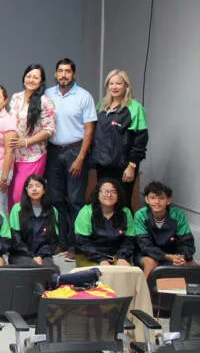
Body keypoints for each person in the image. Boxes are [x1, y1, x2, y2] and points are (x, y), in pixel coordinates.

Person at [45, 58, 96, 262]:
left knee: (75, 200)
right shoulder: (48, 94)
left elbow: (89, 129)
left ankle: (76, 245)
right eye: (60, 71)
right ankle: (62, 241)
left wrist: (81, 157)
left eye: (67, 71)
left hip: (75, 151)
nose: (63, 75)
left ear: (73, 74)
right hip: (53, 152)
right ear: (55, 74)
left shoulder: (84, 96)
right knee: (56, 200)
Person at [92, 69, 149, 209]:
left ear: (126, 85)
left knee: (122, 202)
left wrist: (132, 166)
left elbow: (140, 140)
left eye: (118, 83)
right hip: (103, 164)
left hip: (123, 167)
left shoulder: (135, 108)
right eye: (111, 83)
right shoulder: (101, 106)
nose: (114, 87)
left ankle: (125, 224)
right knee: (103, 202)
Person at [8, 64, 56, 207]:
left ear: (41, 81)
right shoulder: (16, 97)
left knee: (20, 196)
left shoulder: (45, 101)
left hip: (33, 156)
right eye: (29, 76)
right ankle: (13, 222)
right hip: (13, 155)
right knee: (10, 197)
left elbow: (49, 130)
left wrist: (26, 142)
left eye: (35, 77)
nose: (31, 80)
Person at [134, 181, 196, 279]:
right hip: (147, 255)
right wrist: (166, 256)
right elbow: (145, 246)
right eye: (153, 198)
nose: (157, 202)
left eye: (161, 198)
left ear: (168, 201)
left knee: (190, 264)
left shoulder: (178, 215)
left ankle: (178, 288)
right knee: (151, 263)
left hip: (174, 254)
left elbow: (187, 243)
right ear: (146, 199)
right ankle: (145, 289)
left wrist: (181, 257)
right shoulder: (140, 215)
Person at [74, 178, 135, 268]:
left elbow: (129, 240)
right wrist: (101, 259)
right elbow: (82, 242)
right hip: (89, 256)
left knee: (124, 271)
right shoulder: (86, 211)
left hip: (117, 255)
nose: (109, 195)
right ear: (97, 194)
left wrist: (122, 257)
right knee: (101, 272)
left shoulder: (125, 212)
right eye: (105, 191)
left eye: (113, 192)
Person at [8, 175, 60, 267]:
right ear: (26, 190)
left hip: (43, 255)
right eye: (30, 186)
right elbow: (16, 239)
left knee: (50, 270)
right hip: (21, 254)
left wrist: (40, 256)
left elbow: (53, 240)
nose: (34, 189)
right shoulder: (17, 209)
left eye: (38, 186)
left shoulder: (52, 210)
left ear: (44, 190)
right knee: (32, 267)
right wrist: (32, 256)